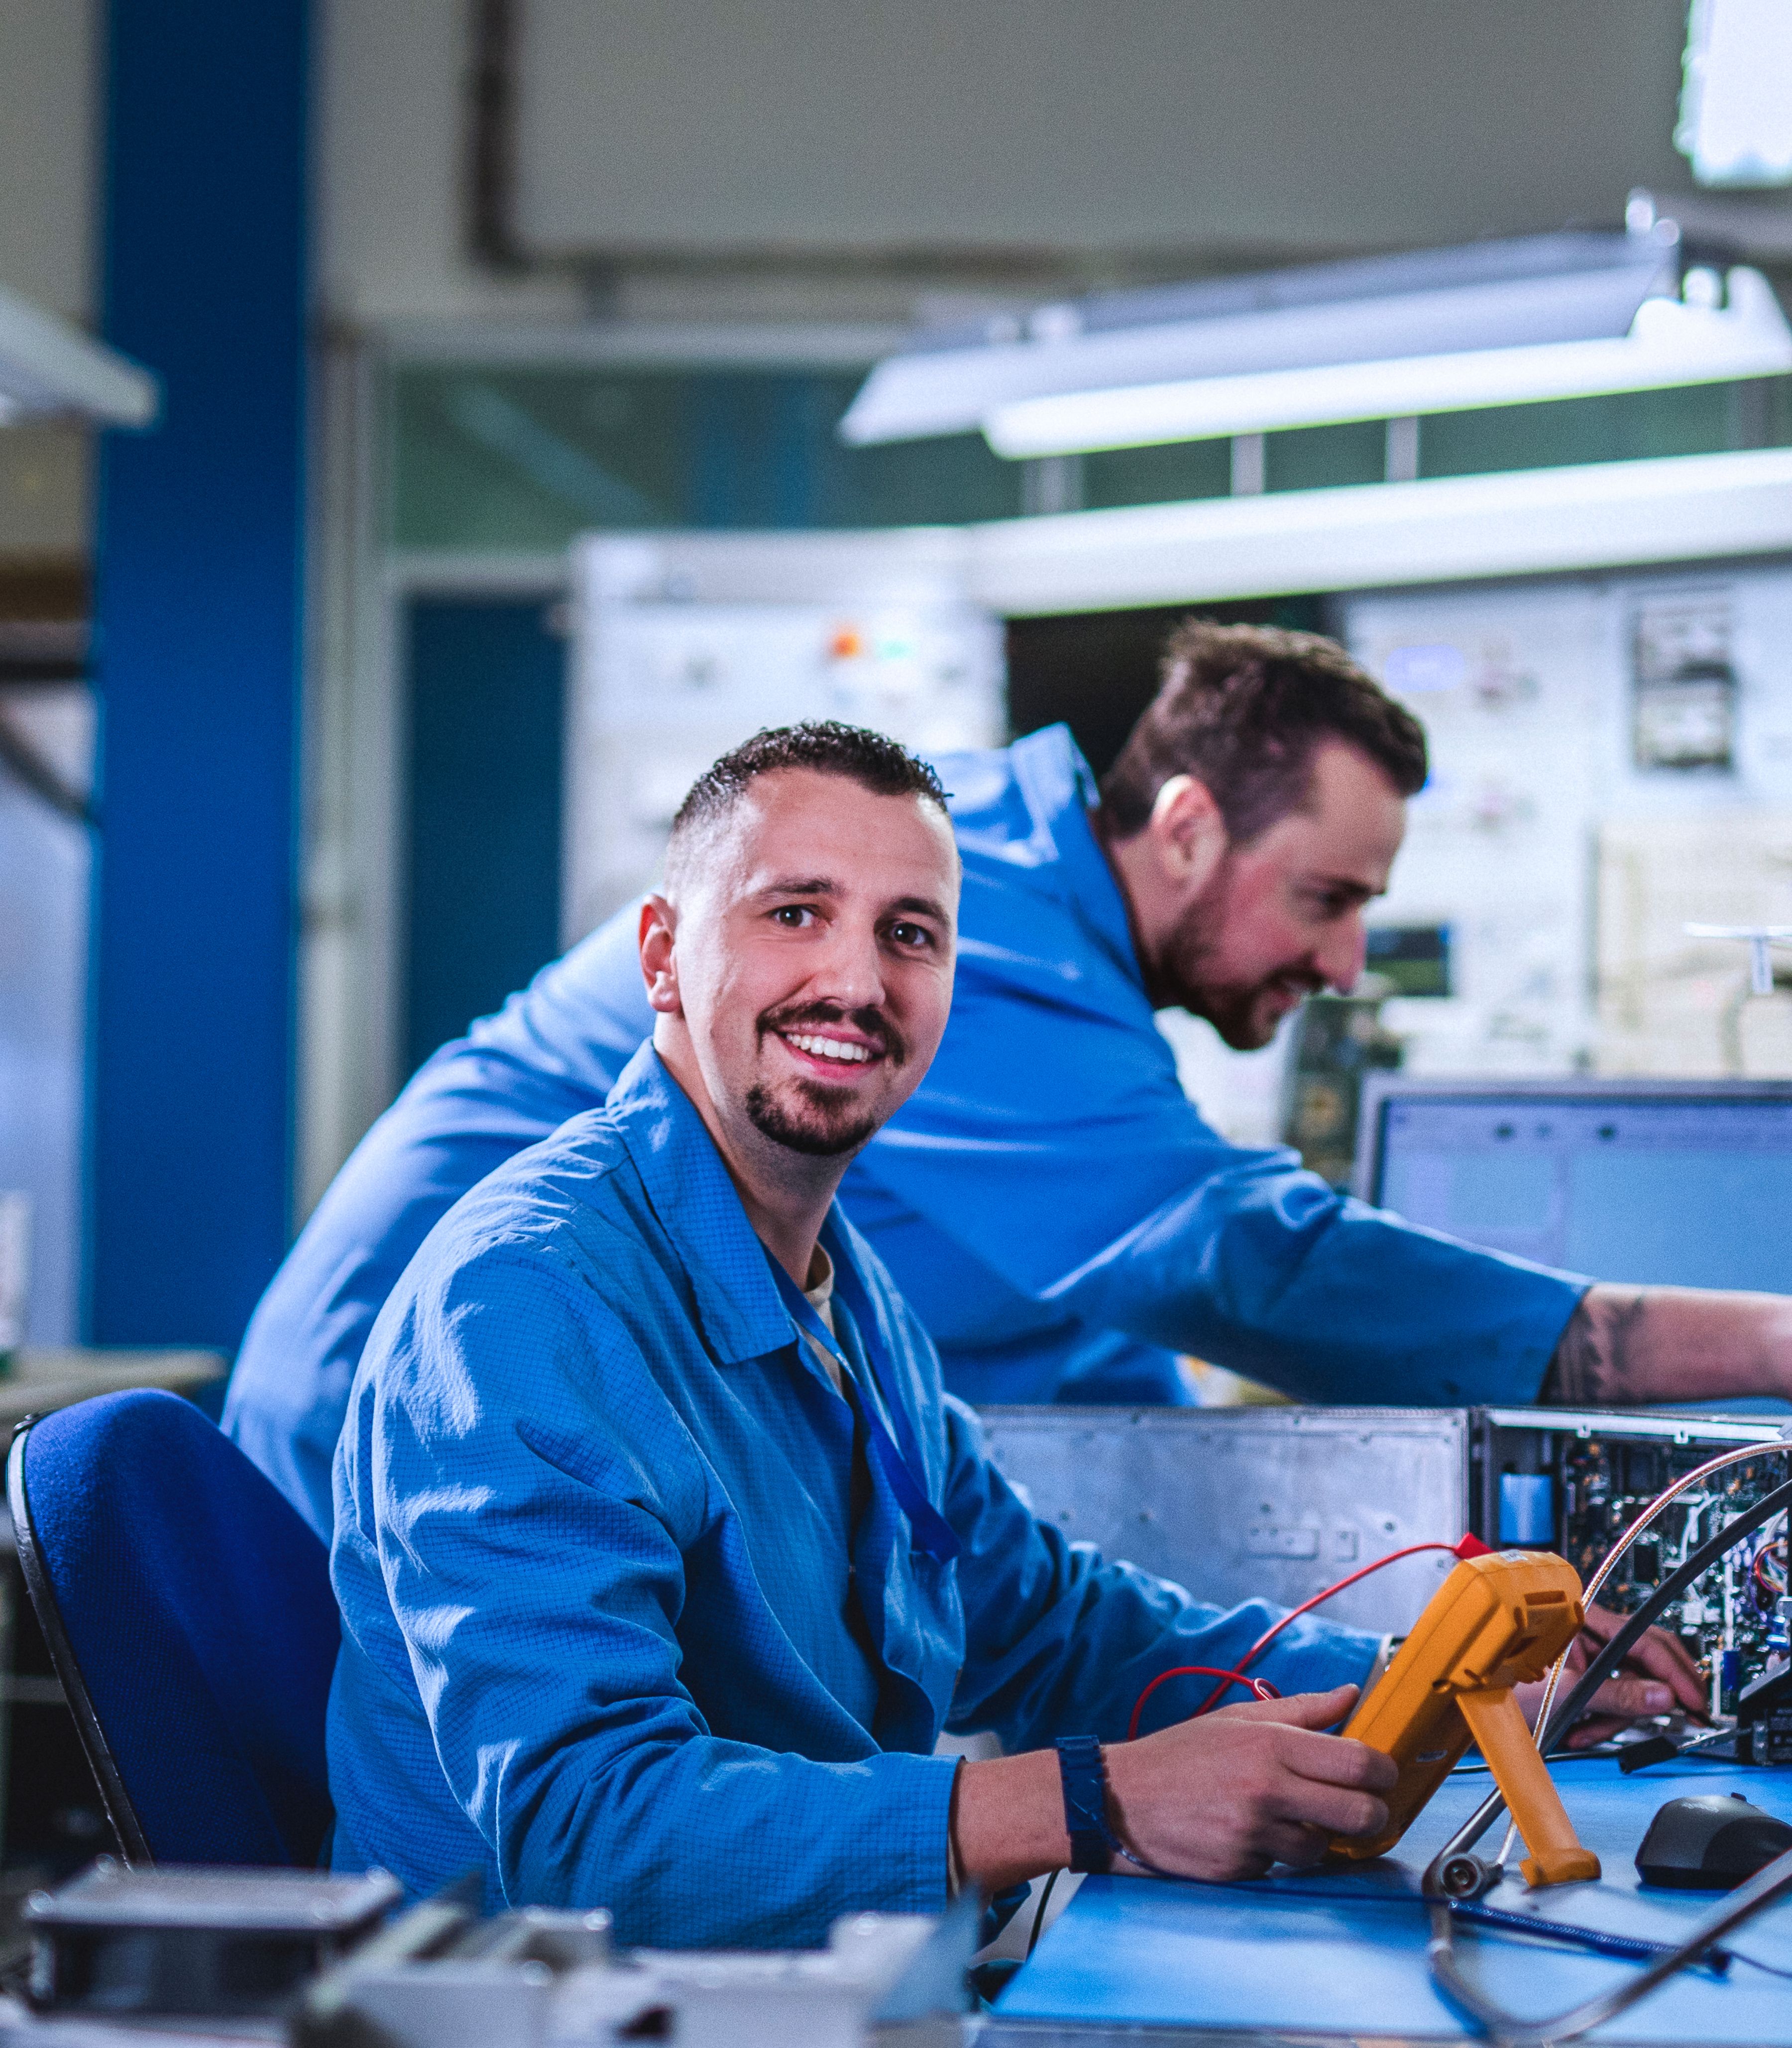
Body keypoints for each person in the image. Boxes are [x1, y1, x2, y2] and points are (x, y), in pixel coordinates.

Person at [228, 621, 1792, 1544]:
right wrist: (1696, 1342)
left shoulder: (1048, 963)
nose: (1344, 963)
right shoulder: (972, 900)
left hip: (564, 1418)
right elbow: (1233, 1261)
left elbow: (1105, 1335)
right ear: (1185, 829)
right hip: (424, 1411)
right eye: (1325, 899)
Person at [327, 724, 1402, 1944]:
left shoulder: (850, 1296)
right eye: (795, 912)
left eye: (910, 933)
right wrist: (1091, 1798)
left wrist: (1444, 1682)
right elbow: (591, 1830)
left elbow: (1052, 1626)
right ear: (664, 957)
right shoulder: (524, 1304)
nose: (857, 982)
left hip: (815, 1984)